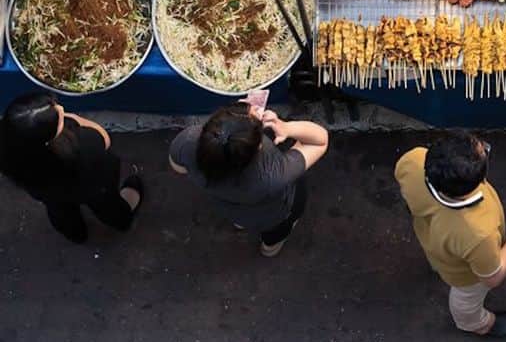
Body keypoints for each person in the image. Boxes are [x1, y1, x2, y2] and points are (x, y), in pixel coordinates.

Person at [394, 131, 506, 337]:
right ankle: (475, 324)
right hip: (464, 274)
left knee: (438, 261)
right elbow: (494, 276)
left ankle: (436, 267)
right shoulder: (477, 232)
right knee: (466, 299)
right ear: (478, 180)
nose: (484, 146)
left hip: (431, 239)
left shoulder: (413, 160)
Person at [169, 103, 328, 257]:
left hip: (230, 209)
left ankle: (241, 224)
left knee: (242, 218)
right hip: (273, 215)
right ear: (258, 146)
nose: (256, 108)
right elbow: (320, 141)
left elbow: (178, 167)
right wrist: (286, 127)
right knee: (277, 230)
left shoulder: (188, 142)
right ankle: (269, 248)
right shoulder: (272, 175)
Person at [0, 92, 143, 243]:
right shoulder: (84, 144)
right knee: (107, 205)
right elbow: (104, 138)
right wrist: (73, 118)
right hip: (92, 186)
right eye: (57, 115)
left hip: (45, 192)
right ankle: (121, 221)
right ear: (49, 139)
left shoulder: (10, 152)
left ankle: (75, 234)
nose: (61, 109)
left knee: (59, 209)